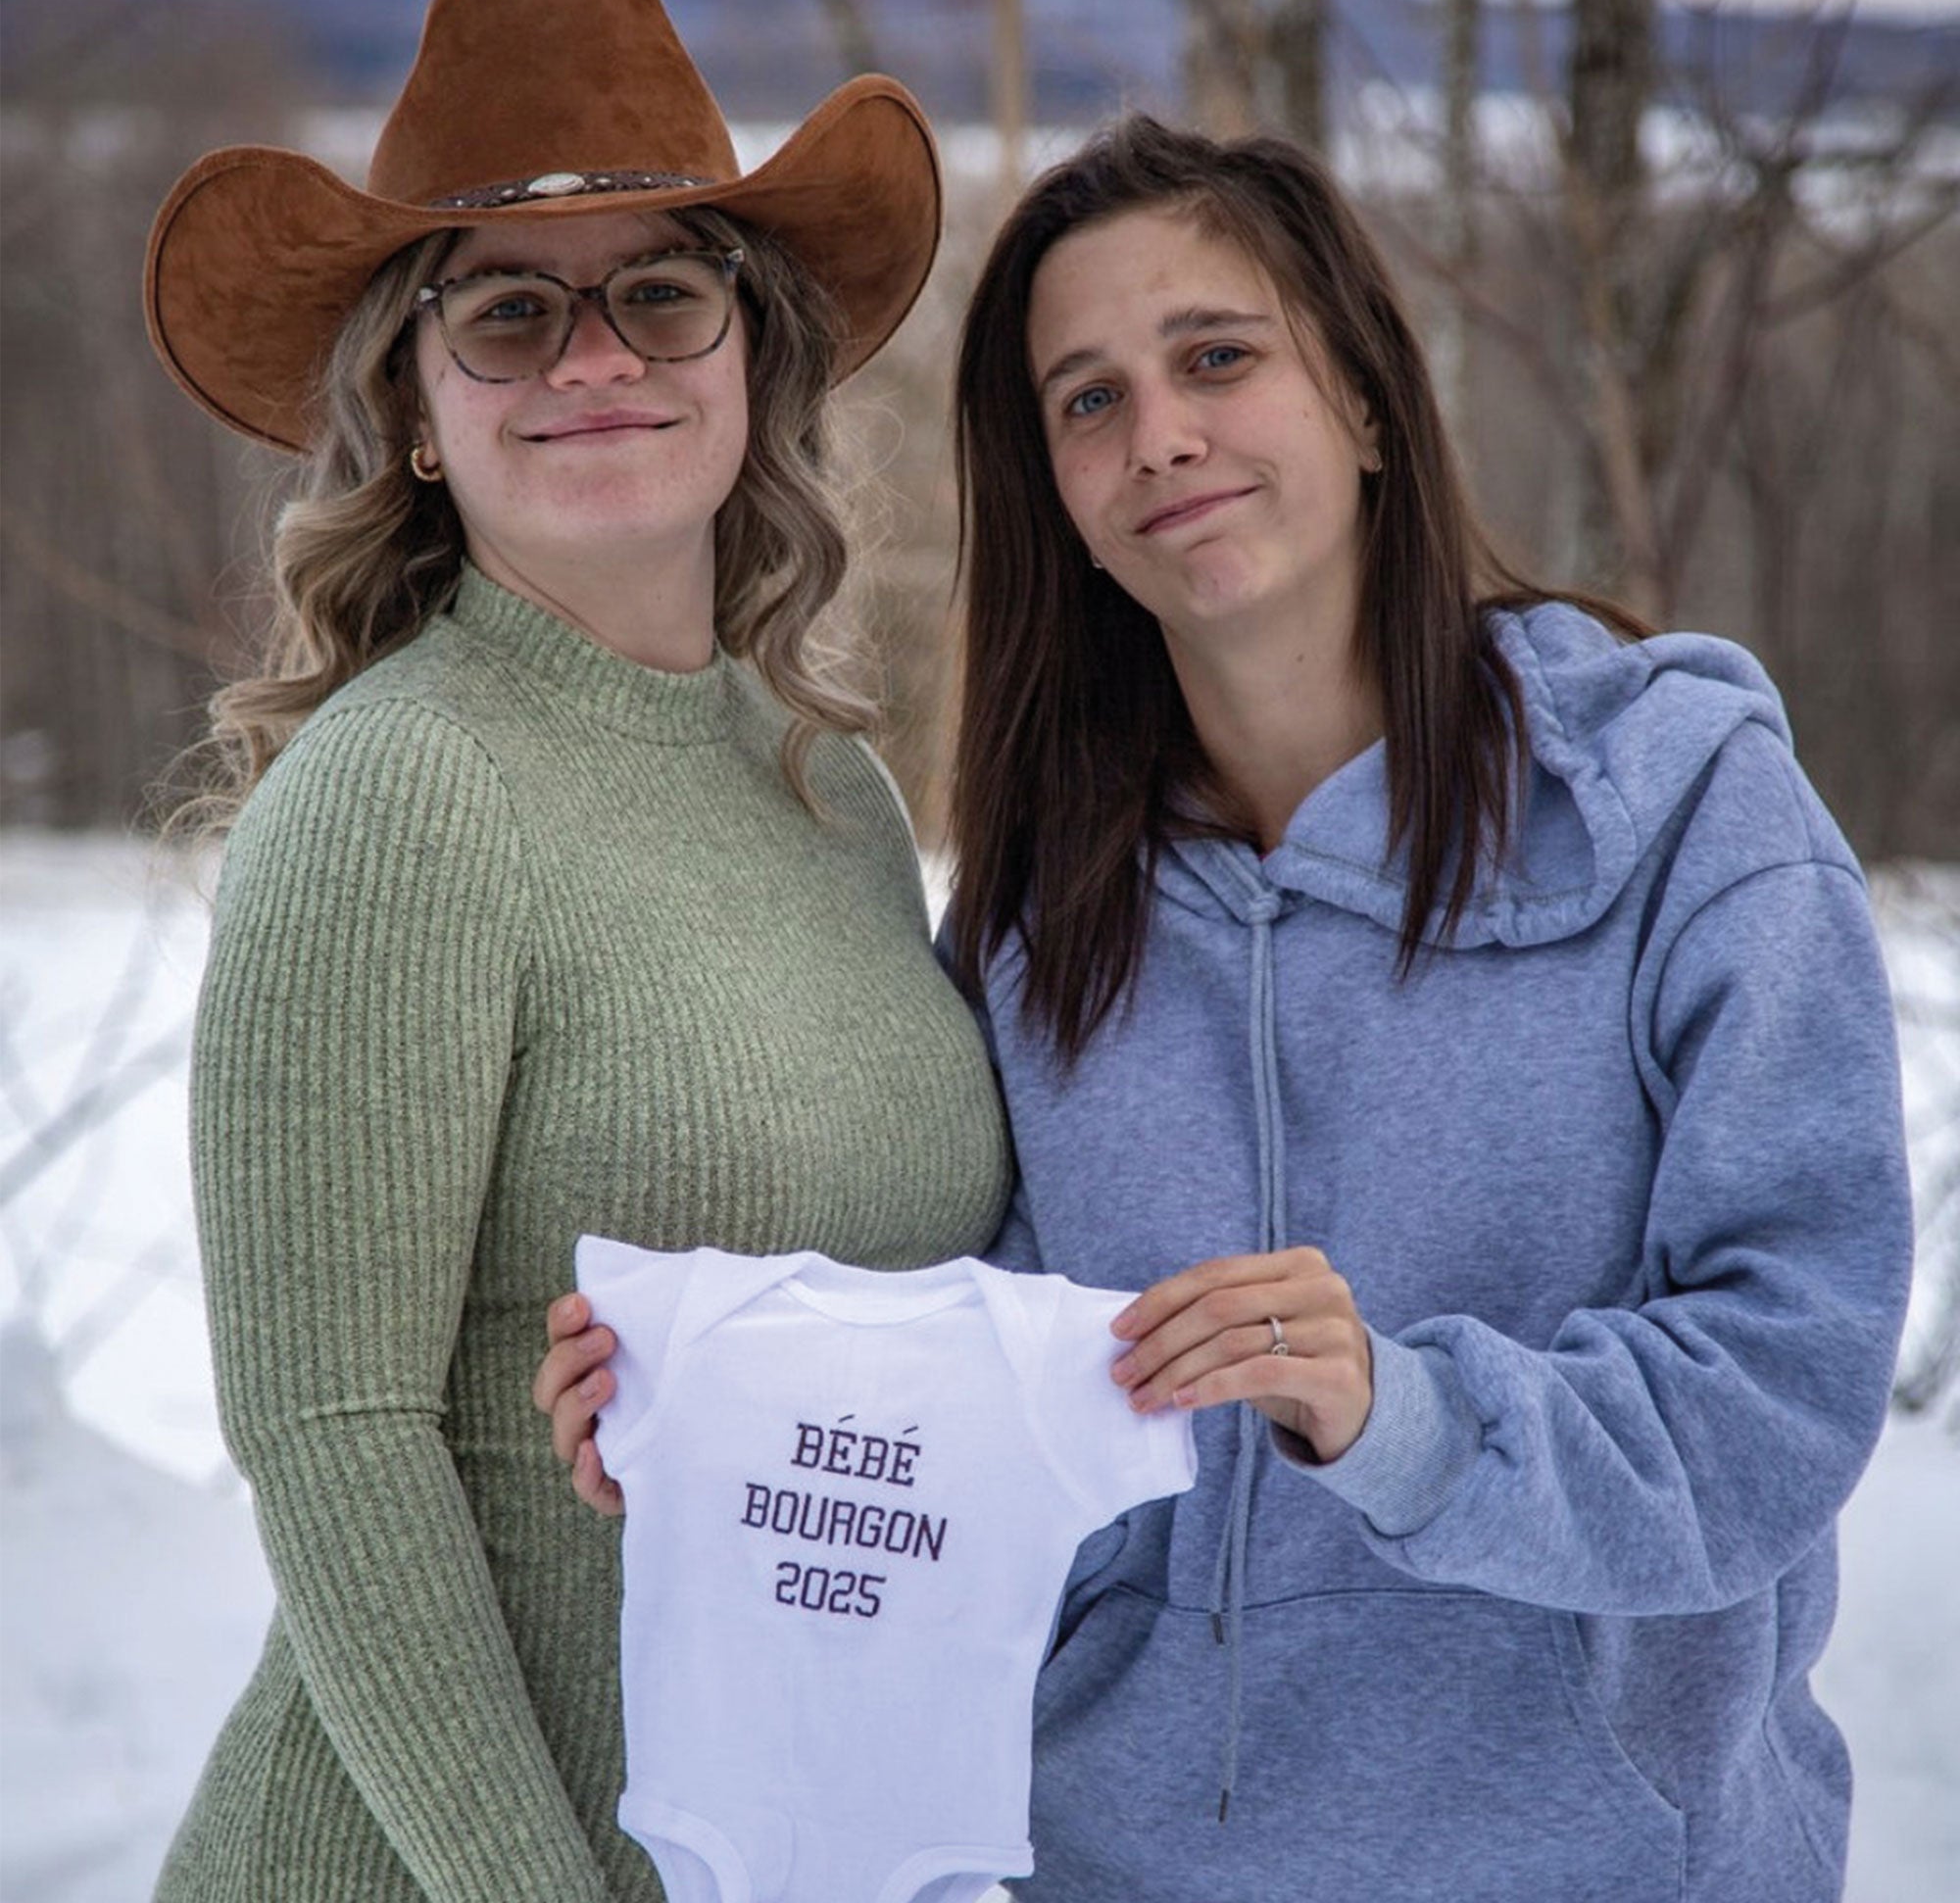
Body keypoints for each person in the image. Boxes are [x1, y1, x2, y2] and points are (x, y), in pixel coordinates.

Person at [540, 116, 1913, 1901]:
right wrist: (740, 1456)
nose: (1162, 435)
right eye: (1087, 401)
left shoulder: (1679, 812)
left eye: (1216, 357)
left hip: (1598, 1859)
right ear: (1053, 494)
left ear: (1358, 397)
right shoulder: (1046, 921)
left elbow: (1785, 1386)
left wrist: (1401, 1418)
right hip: (1117, 1861)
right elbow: (990, 1410)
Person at [147, 0, 1008, 1903]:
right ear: (416, 406)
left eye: (659, 290)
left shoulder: (826, 790)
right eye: (507, 309)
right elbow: (335, 1436)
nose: (591, 354)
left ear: (751, 355)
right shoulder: (403, 793)